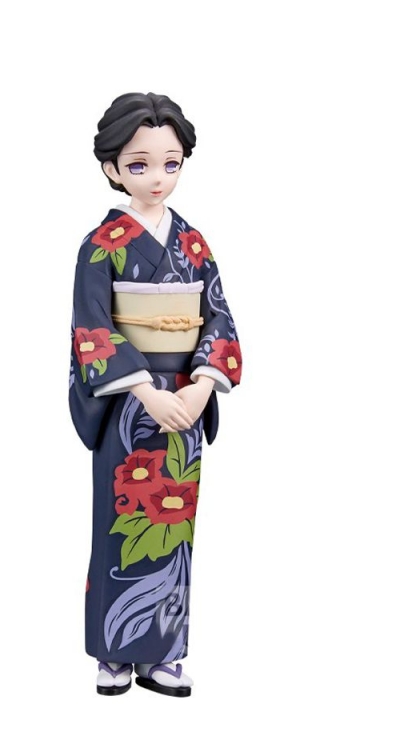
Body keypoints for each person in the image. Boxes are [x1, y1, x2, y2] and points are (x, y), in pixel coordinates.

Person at [68, 92, 242, 697]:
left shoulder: (193, 242)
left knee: (176, 530)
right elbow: (92, 327)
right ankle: (114, 653)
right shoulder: (102, 244)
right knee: (121, 522)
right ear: (112, 168)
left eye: (171, 163)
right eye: (139, 164)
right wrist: (144, 389)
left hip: (185, 404)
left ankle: (164, 652)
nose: (157, 177)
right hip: (127, 406)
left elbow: (217, 316)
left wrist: (203, 385)